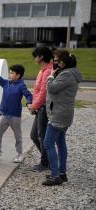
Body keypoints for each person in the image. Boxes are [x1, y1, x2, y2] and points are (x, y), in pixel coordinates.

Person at [42, 49, 82, 186]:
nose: (54, 63)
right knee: (60, 143)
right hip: (63, 113)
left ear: (63, 62)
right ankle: (61, 172)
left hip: (59, 114)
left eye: (57, 60)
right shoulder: (69, 73)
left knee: (48, 143)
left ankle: (55, 176)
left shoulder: (66, 75)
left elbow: (52, 88)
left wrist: (50, 77)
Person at [28, 47, 53, 172]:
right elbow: (37, 91)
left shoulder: (48, 71)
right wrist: (33, 105)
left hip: (43, 108)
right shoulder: (42, 71)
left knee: (41, 136)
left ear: (41, 57)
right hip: (39, 107)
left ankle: (45, 163)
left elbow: (43, 93)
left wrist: (34, 106)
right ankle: (48, 159)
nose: (35, 58)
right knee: (34, 135)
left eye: (36, 56)